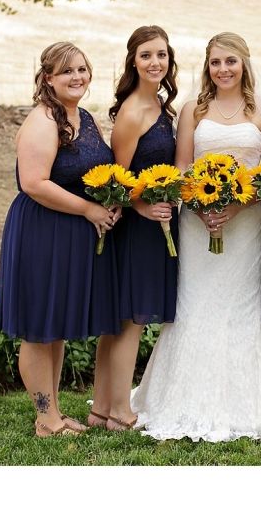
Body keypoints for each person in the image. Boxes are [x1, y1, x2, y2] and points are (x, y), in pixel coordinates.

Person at [130, 32, 261, 441]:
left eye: (230, 61)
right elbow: (183, 167)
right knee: (195, 302)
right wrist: (203, 206)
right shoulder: (193, 109)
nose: (222, 69)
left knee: (239, 305)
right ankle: (179, 400)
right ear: (206, 66)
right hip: (196, 221)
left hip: (244, 224)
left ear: (245, 62)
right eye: (214, 62)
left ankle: (247, 404)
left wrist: (234, 206)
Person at [0, 42, 120, 437]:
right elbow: (34, 182)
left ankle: (54, 413)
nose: (77, 77)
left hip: (70, 234)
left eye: (82, 69)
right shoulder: (43, 120)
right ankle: (44, 418)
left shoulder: (82, 116)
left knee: (56, 325)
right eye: (67, 71)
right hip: (42, 231)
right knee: (38, 326)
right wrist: (88, 210)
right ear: (47, 77)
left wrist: (110, 198)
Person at [88, 26, 180, 431]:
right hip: (137, 229)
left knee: (121, 322)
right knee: (132, 320)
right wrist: (143, 207)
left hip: (155, 224)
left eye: (161, 55)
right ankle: (121, 414)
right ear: (133, 61)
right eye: (146, 55)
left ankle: (100, 409)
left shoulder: (162, 105)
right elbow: (116, 180)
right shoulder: (131, 111)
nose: (155, 62)